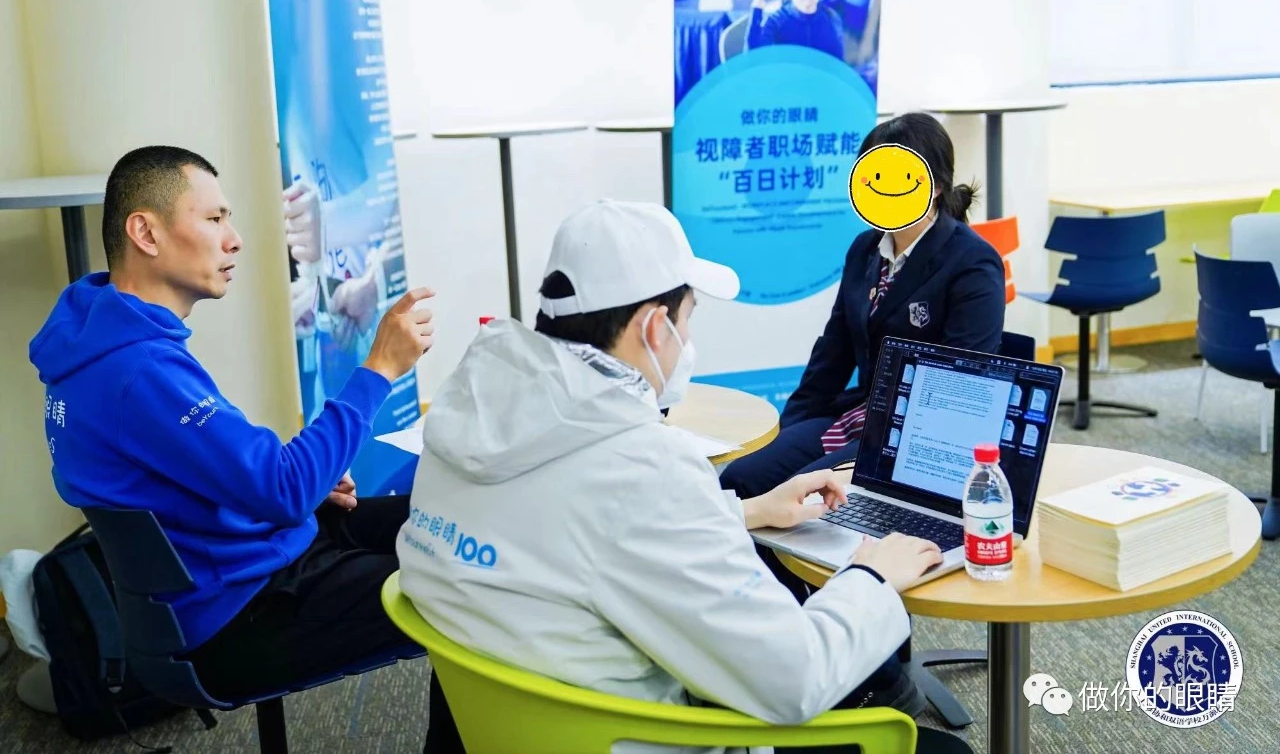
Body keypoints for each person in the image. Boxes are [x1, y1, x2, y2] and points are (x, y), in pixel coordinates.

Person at [396, 199, 970, 754]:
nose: (688, 342)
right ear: (653, 328)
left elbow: (570, 529)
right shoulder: (643, 465)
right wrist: (871, 578)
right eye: (688, 319)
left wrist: (745, 512)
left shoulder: (470, 416)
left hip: (513, 729)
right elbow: (795, 680)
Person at [28, 146, 462, 753]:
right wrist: (379, 370)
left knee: (458, 522)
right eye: (214, 219)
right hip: (236, 615)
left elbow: (216, 478)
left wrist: (301, 484)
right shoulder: (138, 371)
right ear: (145, 231)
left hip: (232, 568)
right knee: (473, 586)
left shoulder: (101, 341)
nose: (234, 240)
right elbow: (280, 489)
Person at [719, 113, 1006, 501]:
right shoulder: (865, 249)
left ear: (935, 185)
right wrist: (787, 432)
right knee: (739, 479)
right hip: (859, 414)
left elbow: (961, 384)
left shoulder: (972, 262)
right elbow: (832, 355)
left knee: (802, 495)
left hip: (916, 436)